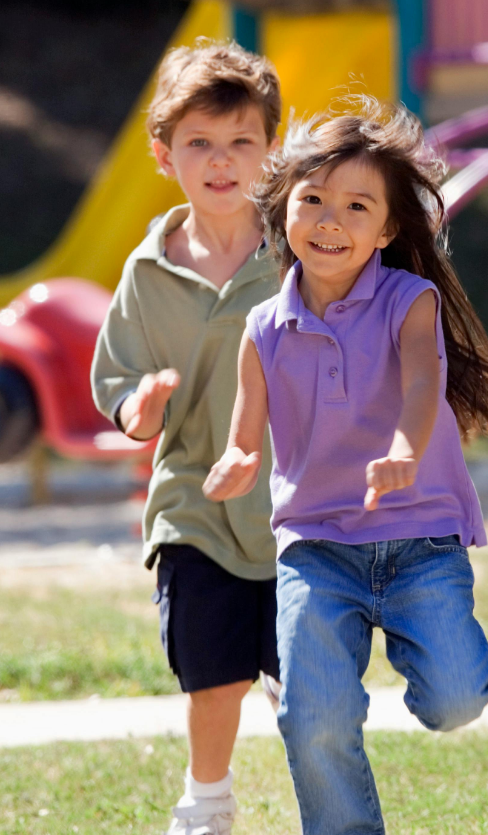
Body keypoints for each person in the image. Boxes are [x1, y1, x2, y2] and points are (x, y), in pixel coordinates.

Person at [203, 98, 488, 835]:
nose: (330, 219)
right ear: (282, 210)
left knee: (455, 701)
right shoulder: (262, 327)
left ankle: (387, 679)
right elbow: (244, 436)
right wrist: (234, 461)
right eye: (313, 200)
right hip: (317, 546)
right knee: (316, 721)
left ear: (387, 231)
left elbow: (422, 381)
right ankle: (309, 704)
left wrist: (404, 450)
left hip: (421, 538)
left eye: (357, 207)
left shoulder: (408, 300)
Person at [89, 41, 284, 835]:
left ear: (272, 150)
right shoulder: (146, 271)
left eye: (242, 142)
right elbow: (119, 385)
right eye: (200, 143)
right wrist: (142, 405)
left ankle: (325, 778)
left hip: (295, 502)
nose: (222, 162)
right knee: (210, 671)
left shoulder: (303, 249)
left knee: (310, 682)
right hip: (193, 503)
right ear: (164, 155)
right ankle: (207, 801)